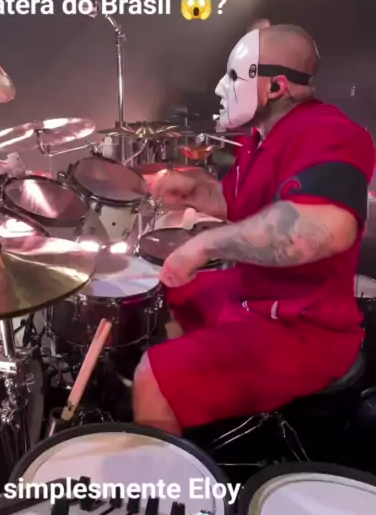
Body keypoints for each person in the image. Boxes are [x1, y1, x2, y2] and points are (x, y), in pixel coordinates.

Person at [132, 24, 376, 435]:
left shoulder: (330, 133)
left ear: (275, 87)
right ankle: (198, 406)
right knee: (168, 292)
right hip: (254, 295)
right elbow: (238, 203)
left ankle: (177, 445)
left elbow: (319, 230)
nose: (219, 87)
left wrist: (203, 246)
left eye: (233, 76)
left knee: (151, 377)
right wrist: (194, 189)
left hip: (306, 329)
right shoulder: (259, 141)